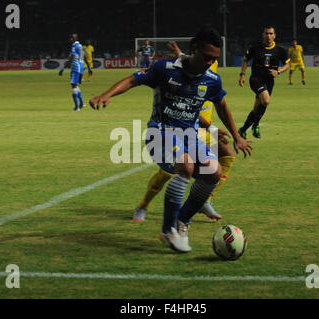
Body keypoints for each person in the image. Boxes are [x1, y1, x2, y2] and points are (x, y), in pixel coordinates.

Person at [90, 28, 252, 253]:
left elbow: (220, 105)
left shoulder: (212, 80)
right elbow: (132, 80)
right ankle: (167, 230)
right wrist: (106, 95)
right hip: (159, 133)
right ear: (193, 49)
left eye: (213, 59)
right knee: (185, 165)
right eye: (206, 57)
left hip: (190, 137)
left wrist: (237, 136)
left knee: (213, 173)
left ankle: (182, 221)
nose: (209, 62)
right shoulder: (164, 69)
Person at [132, 40, 237, 222]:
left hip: (200, 129)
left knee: (226, 156)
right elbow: (186, 107)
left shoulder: (211, 76)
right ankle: (143, 205)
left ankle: (204, 199)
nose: (210, 62)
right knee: (169, 172)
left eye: (213, 59)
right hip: (184, 126)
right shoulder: (187, 76)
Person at [238, 26, 290, 139]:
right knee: (266, 100)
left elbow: (288, 64)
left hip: (269, 81)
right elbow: (246, 59)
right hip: (256, 79)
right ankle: (255, 125)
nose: (268, 36)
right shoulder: (255, 48)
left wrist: (279, 71)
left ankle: (242, 130)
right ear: (263, 35)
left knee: (258, 108)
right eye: (266, 33)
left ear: (274, 36)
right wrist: (242, 74)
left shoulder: (280, 50)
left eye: (271, 34)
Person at [58, 34, 85, 111]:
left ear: (75, 38)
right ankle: (82, 103)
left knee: (73, 86)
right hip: (79, 67)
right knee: (75, 85)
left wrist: (63, 68)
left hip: (75, 67)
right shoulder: (80, 46)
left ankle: (77, 107)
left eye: (72, 38)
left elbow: (72, 58)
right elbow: (83, 56)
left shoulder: (74, 46)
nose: (70, 39)